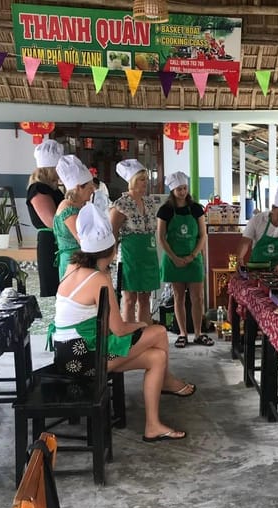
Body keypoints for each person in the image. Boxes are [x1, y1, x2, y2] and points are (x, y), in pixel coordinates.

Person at [47, 199, 195, 443]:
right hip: (84, 356)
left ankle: (153, 425)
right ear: (112, 250)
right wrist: (141, 325)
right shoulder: (99, 278)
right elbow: (118, 328)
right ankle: (168, 381)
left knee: (157, 357)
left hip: (66, 352)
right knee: (157, 332)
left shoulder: (72, 267)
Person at [157, 171, 212, 348]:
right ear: (172, 190)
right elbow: (161, 237)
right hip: (173, 260)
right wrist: (174, 258)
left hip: (193, 258)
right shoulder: (165, 210)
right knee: (178, 297)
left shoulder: (196, 208)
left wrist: (193, 255)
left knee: (198, 298)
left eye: (185, 188)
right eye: (179, 189)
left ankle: (198, 333)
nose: (182, 192)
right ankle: (182, 334)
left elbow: (203, 235)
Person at [109, 159, 160, 325]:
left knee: (145, 298)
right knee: (130, 298)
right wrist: (112, 255)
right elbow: (112, 233)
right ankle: (129, 338)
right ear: (131, 181)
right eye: (141, 179)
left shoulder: (150, 203)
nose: (146, 182)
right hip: (130, 256)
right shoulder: (121, 205)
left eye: (146, 179)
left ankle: (144, 334)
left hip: (149, 254)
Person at [236, 181, 278, 273]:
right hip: (256, 270)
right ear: (273, 208)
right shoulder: (257, 220)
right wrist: (240, 258)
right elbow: (245, 242)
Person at [26, 140, 63, 297]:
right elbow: (51, 221)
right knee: (55, 288)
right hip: (50, 241)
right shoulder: (39, 189)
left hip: (58, 240)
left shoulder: (52, 188)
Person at [54, 155, 96, 278]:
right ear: (78, 188)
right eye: (89, 187)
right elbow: (83, 240)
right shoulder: (69, 210)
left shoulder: (77, 206)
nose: (93, 191)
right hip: (73, 263)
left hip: (79, 260)